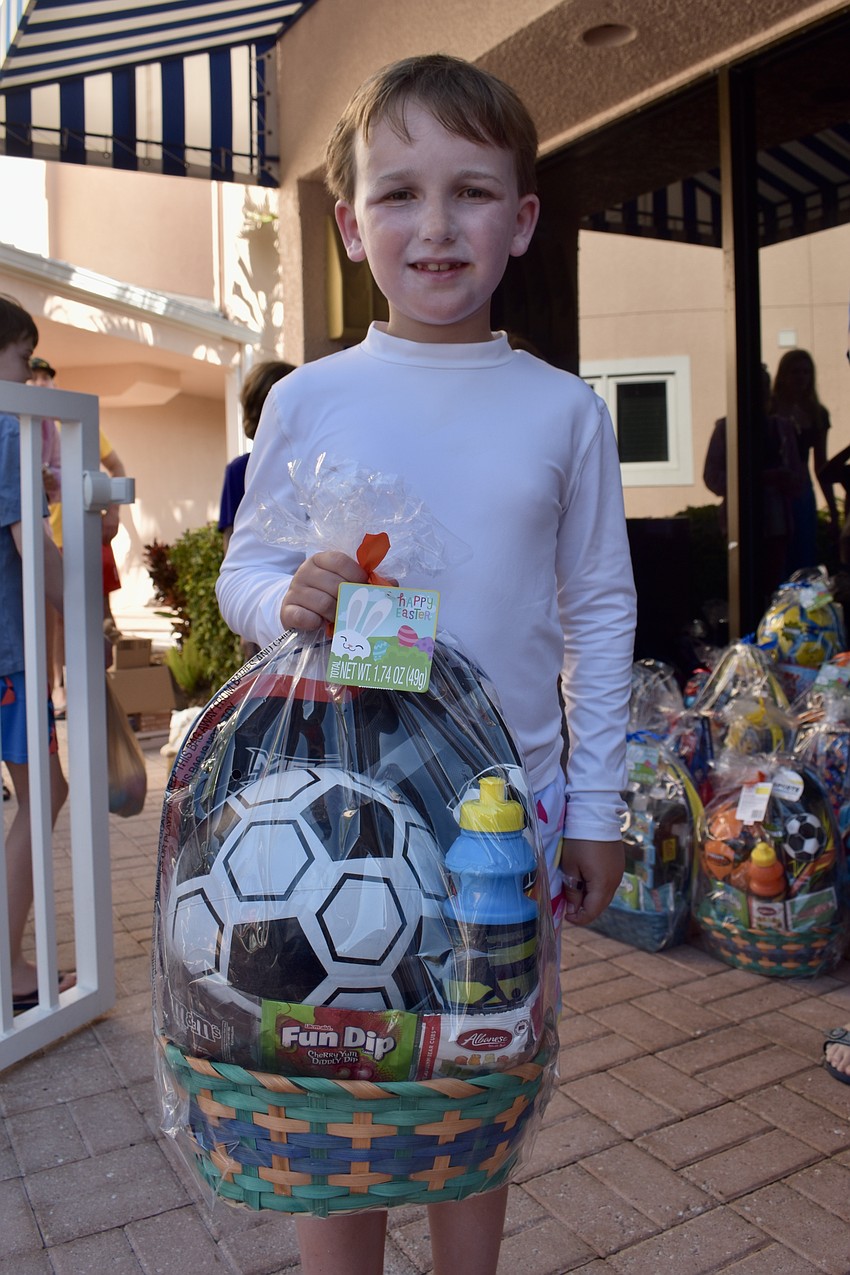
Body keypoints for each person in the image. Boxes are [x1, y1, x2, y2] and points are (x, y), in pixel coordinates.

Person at [216, 54, 636, 1275]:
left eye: (471, 192)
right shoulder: (309, 397)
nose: (436, 225)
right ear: (349, 224)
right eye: (399, 194)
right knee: (326, 1073)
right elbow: (248, 573)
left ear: (522, 221)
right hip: (330, 814)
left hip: (501, 821)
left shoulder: (563, 411)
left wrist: (597, 809)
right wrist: (277, 600)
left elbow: (600, 610)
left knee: (476, 1075)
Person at [0, 296, 74, 1011]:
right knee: (46, 791)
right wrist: (79, 605)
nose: (28, 373)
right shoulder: (8, 429)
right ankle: (10, 964)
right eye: (24, 359)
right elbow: (34, 548)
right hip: (8, 654)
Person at [703, 364, 806, 604]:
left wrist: (784, 480)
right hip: (740, 520)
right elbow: (712, 476)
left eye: (762, 389)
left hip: (777, 520)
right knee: (742, 590)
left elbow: (797, 478)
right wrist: (754, 480)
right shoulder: (725, 429)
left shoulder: (782, 429)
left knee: (773, 587)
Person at [218, 360, 297, 552]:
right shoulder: (240, 470)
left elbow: (230, 541)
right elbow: (232, 544)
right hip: (271, 576)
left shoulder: (314, 463)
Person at [769, 348, 832, 573]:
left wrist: (833, 508)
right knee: (777, 554)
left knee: (802, 553)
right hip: (773, 488)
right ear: (784, 375)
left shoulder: (817, 413)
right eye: (795, 372)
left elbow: (821, 464)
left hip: (802, 487)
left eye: (806, 372)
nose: (801, 377)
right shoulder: (770, 408)